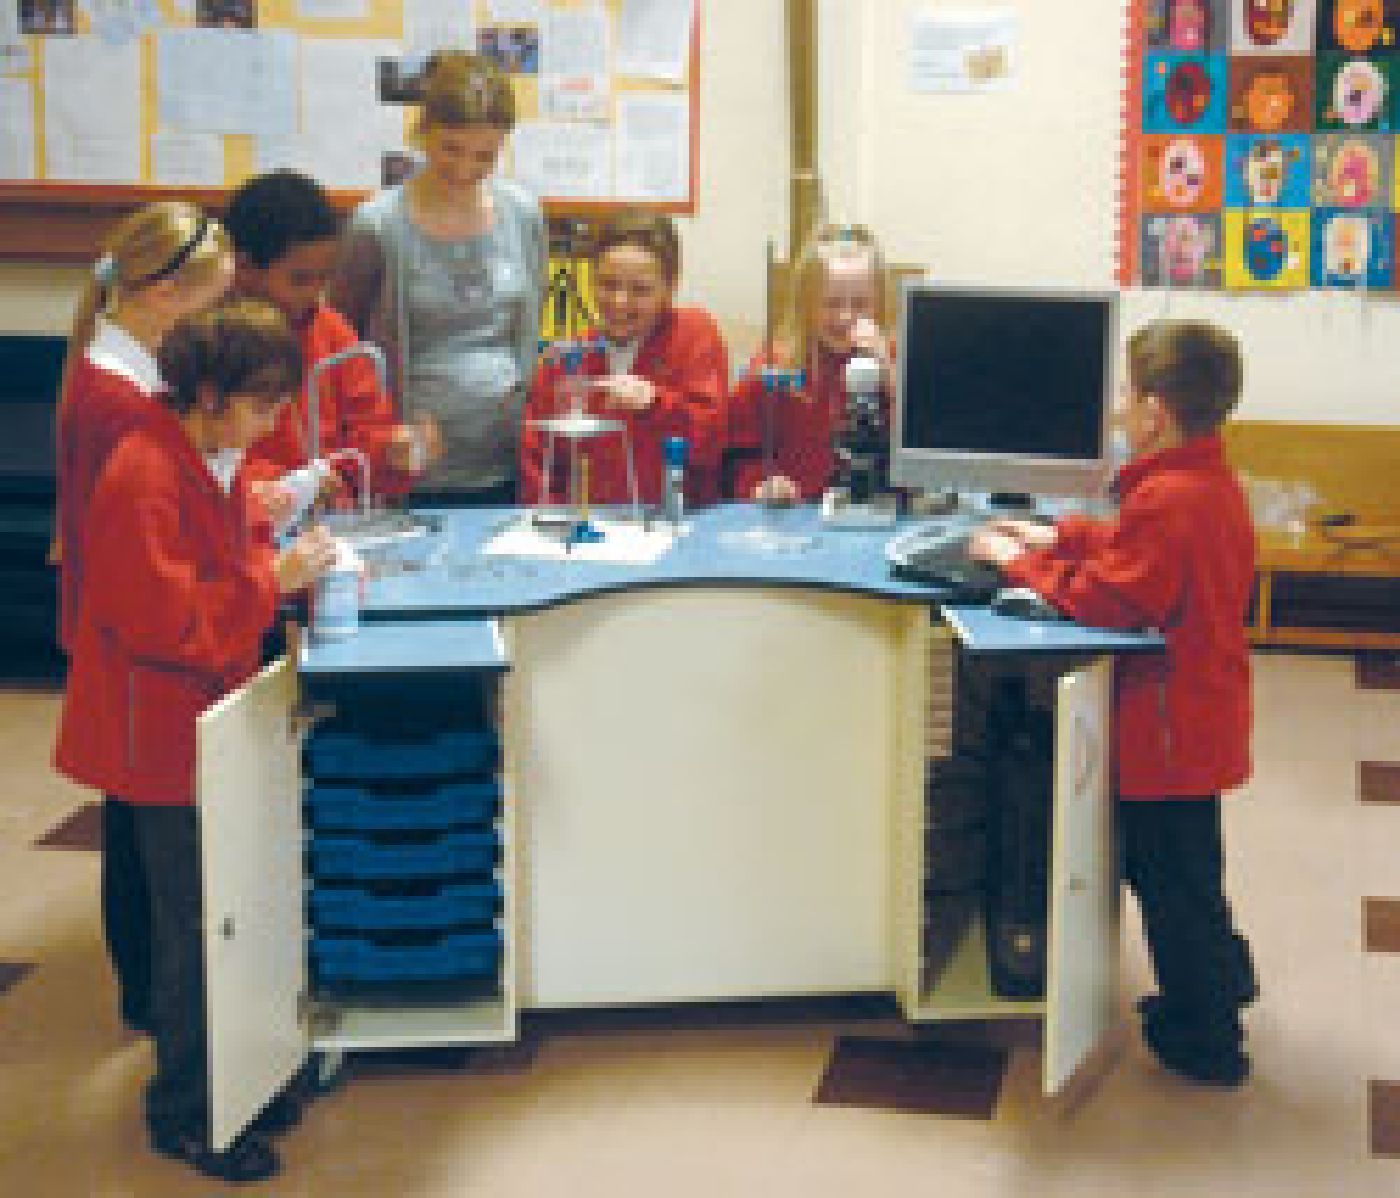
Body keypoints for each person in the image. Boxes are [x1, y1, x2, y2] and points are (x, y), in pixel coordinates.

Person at [54, 300, 337, 1182]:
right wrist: (273, 575)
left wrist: (267, 523)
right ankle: (185, 1110)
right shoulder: (143, 473)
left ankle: (238, 1074)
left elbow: (226, 536)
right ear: (208, 395)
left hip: (203, 723)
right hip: (160, 736)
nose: (274, 423)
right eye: (261, 405)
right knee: (191, 931)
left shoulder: (207, 456)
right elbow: (169, 622)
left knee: (232, 912)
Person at [968, 319, 1259, 1087]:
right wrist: (1058, 532)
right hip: (1202, 719)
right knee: (1194, 869)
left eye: (1128, 394)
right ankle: (1224, 980)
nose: (1122, 408)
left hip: (1167, 733)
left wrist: (1018, 561)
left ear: (1155, 412)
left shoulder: (1168, 500)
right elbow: (1135, 552)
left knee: (1167, 881)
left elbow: (1109, 599)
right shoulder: (1202, 483)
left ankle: (1207, 1038)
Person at [55, 201, 233, 1039]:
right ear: (164, 294)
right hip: (130, 649)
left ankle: (147, 994)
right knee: (146, 842)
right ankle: (154, 1001)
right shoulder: (119, 402)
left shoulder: (116, 369)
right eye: (214, 304)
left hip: (113, 628)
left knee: (132, 825)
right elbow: (142, 563)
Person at [330, 51, 546, 505]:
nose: (465, 168)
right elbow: (342, 345)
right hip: (409, 467)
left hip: (506, 457)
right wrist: (384, 438)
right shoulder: (378, 223)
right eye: (451, 148)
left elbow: (527, 327)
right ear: (423, 130)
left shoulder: (522, 213)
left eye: (485, 156)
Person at [222, 169, 440, 525]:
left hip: (331, 530)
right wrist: (280, 487)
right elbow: (199, 455)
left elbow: (367, 432)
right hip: (244, 529)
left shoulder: (331, 330)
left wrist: (394, 452)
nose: (314, 293)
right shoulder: (207, 340)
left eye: (324, 278)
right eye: (299, 279)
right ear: (243, 268)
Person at [519, 210, 729, 508]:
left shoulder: (694, 335)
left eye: (640, 289)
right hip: (583, 532)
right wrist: (551, 523)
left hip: (674, 526)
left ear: (670, 288)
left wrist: (655, 404)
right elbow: (537, 457)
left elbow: (710, 443)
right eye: (607, 284)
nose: (620, 301)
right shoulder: (568, 357)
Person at [725, 223, 895, 503]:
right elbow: (736, 457)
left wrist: (889, 376)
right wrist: (760, 484)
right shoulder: (775, 366)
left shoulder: (895, 361)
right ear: (805, 304)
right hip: (796, 517)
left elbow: (923, 455)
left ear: (880, 304)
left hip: (880, 516)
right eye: (831, 303)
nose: (845, 317)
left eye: (861, 303)